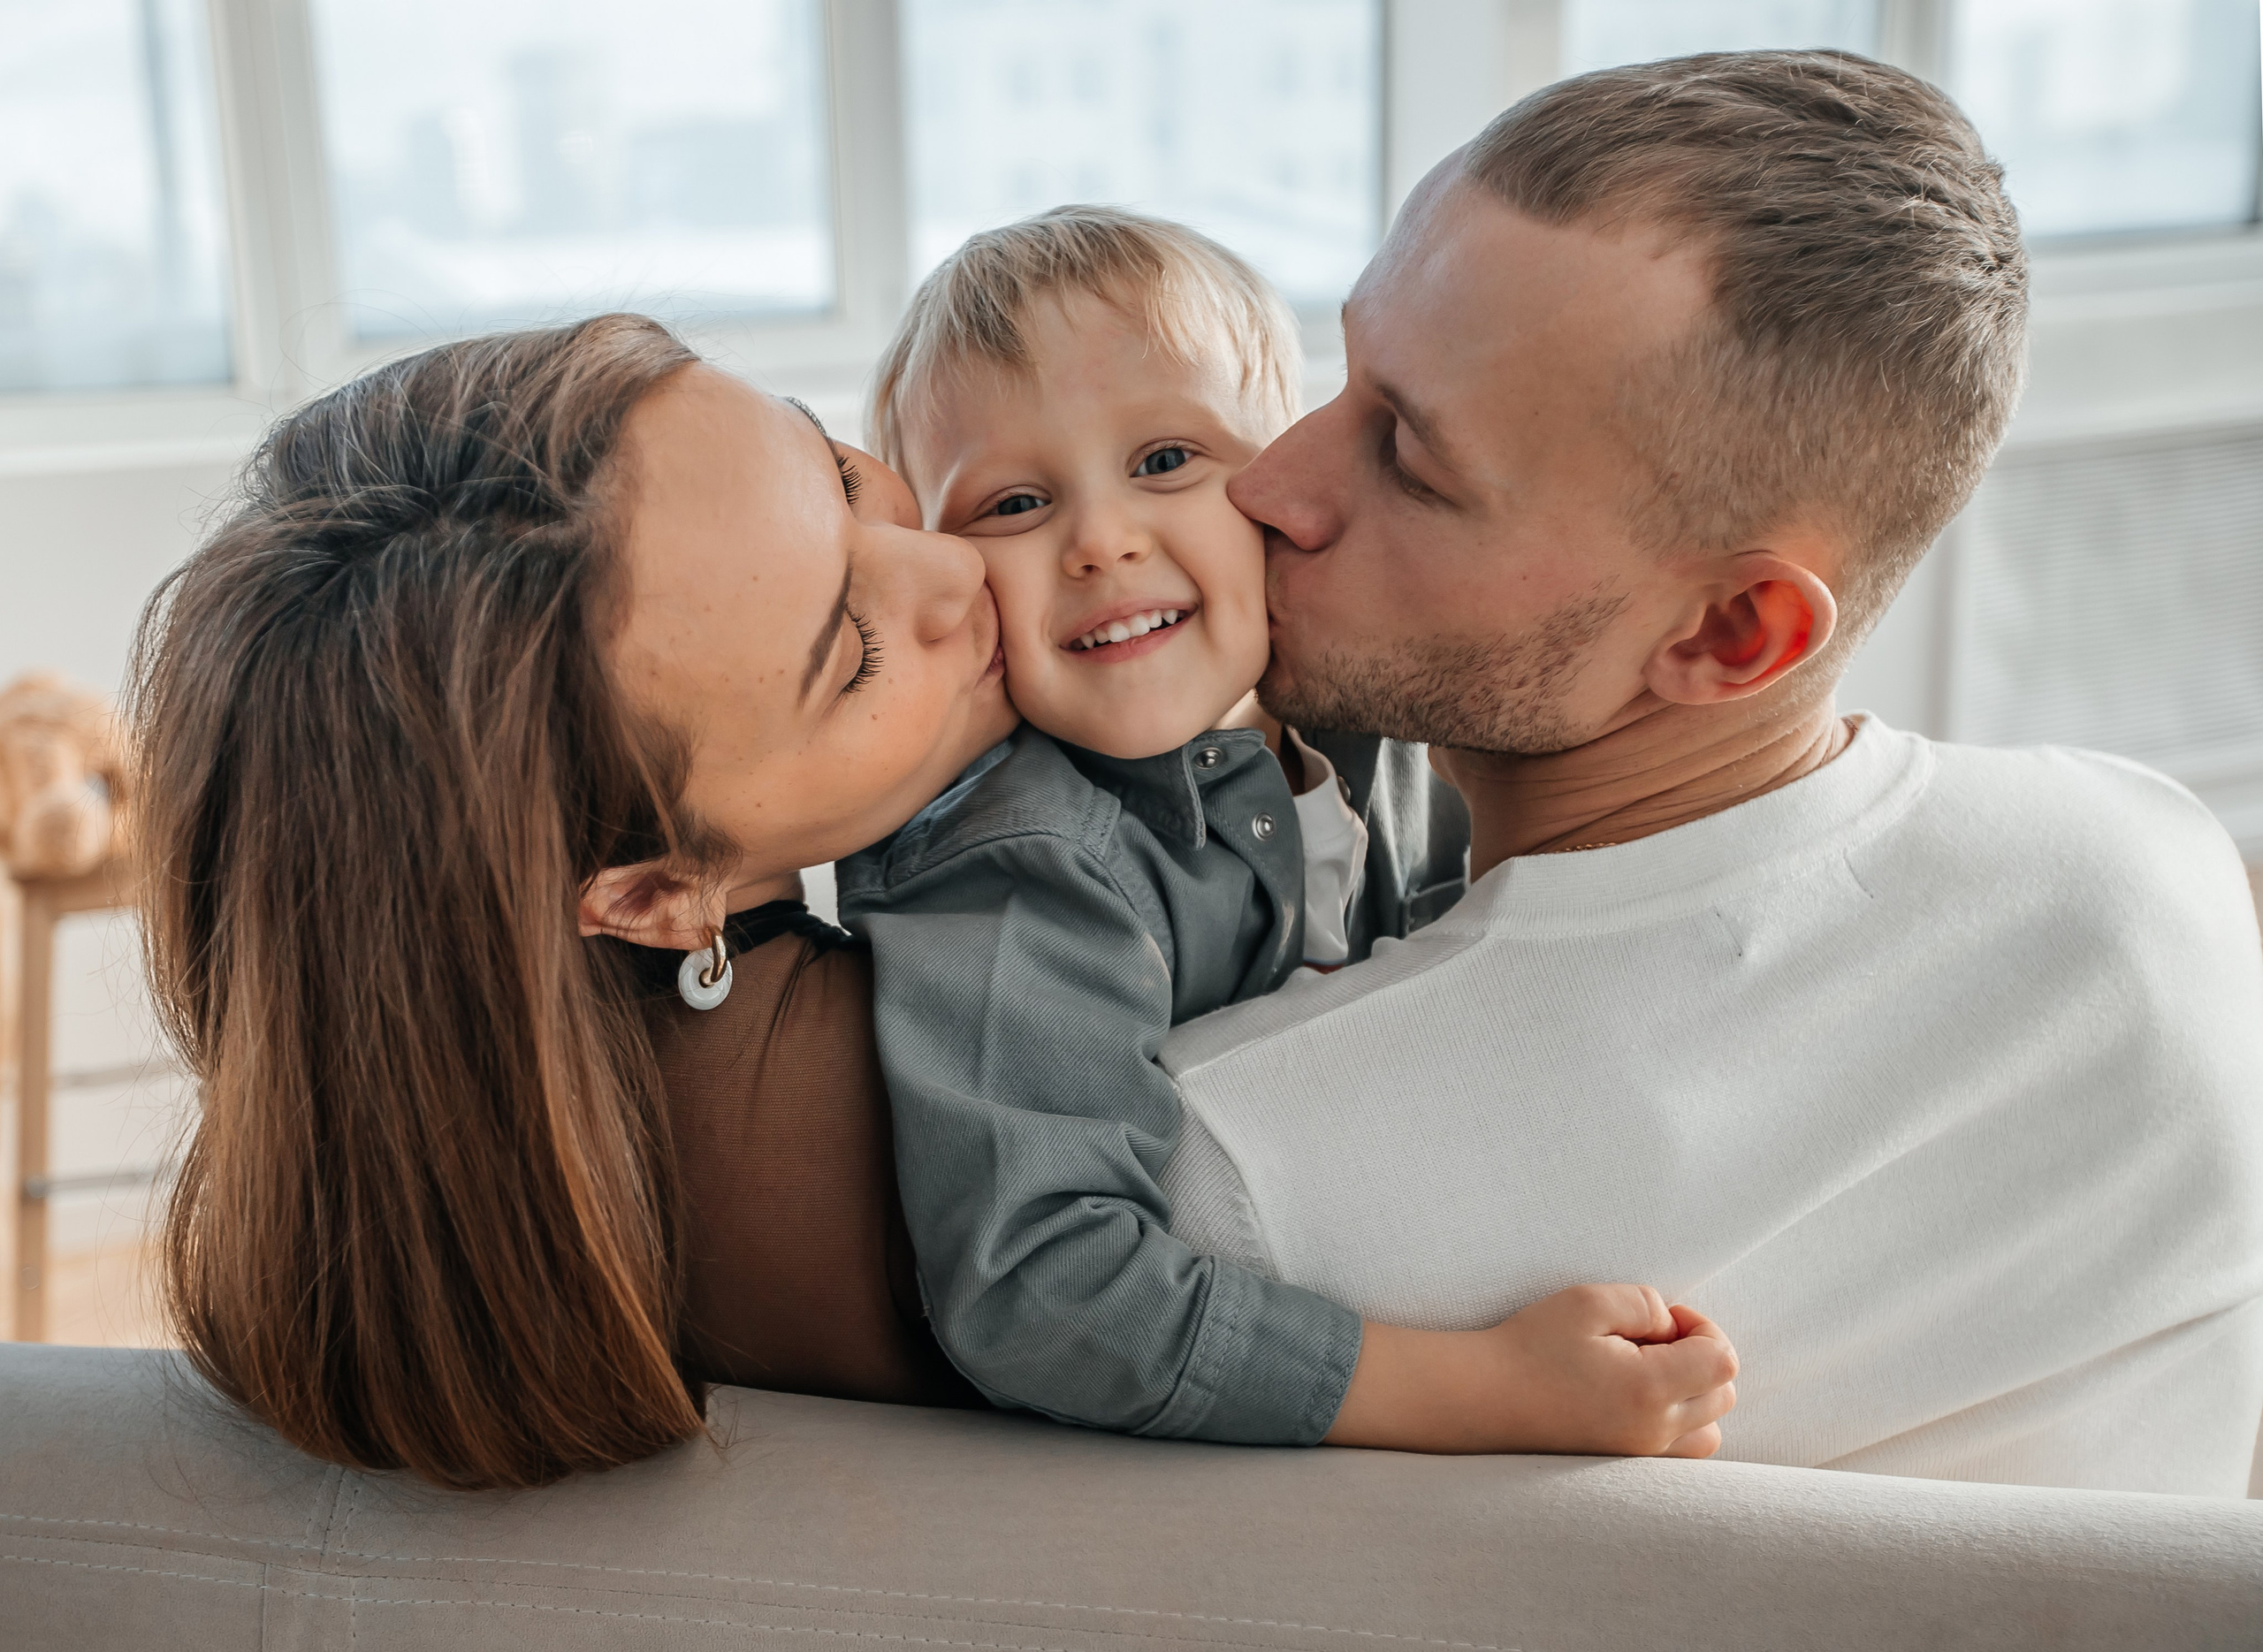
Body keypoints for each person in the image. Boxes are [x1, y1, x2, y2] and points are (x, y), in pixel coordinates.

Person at [131, 310, 1722, 1493]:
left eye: (833, 470)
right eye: (852, 651)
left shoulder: (454, 1141)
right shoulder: (959, 1022)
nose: (957, 574)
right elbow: (1063, 1291)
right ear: (656, 895)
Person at [1155, 50, 2263, 1494]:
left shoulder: (1250, 1171)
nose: (1271, 485)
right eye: (1346, 372)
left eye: (1412, 464)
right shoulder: (2156, 857)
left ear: (1733, 633)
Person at [840, 205, 1734, 1448]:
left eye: (1165, 461)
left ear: (1283, 487)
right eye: (1014, 504)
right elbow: (1040, 1290)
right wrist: (1482, 1391)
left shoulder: (1380, 731)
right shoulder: (1019, 869)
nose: (1101, 541)